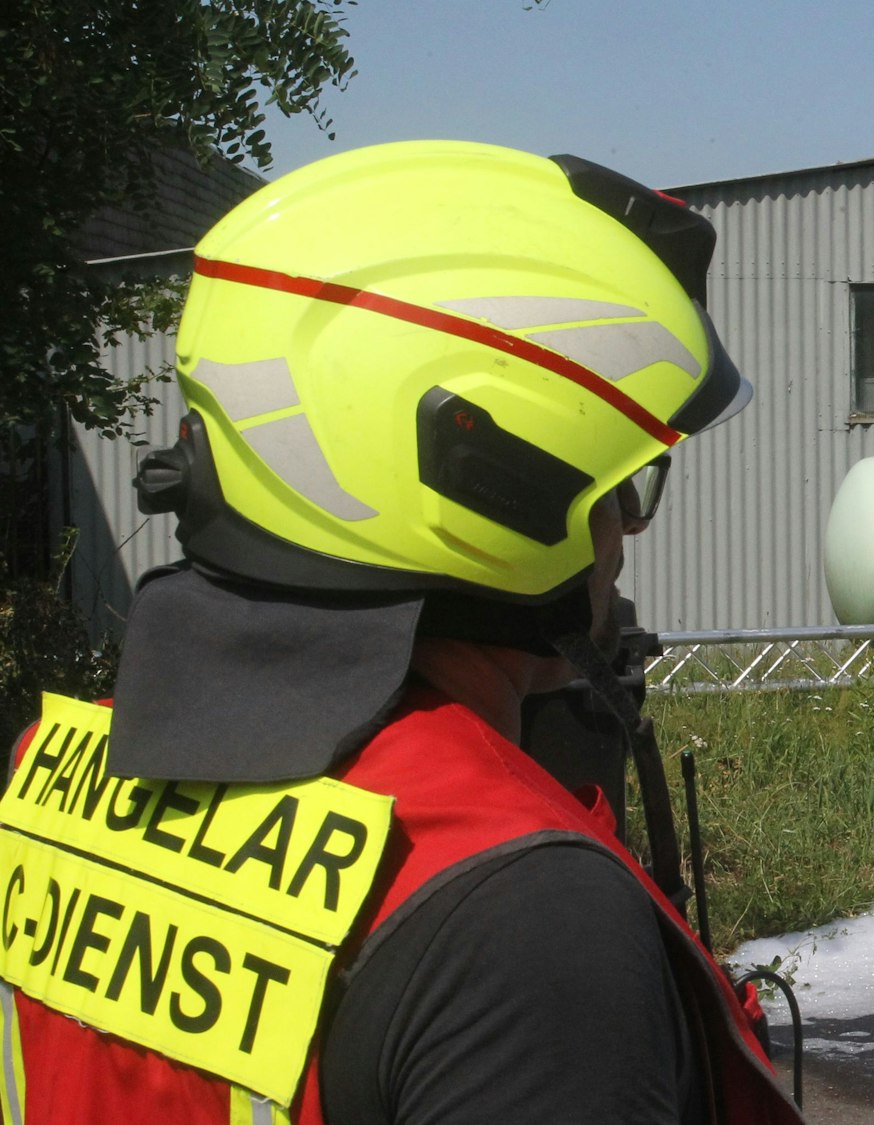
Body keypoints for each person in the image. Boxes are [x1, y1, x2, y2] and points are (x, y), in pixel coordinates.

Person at [0, 141, 803, 1124]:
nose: (624, 532)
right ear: (492, 487)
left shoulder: (53, 774)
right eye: (619, 487)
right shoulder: (518, 910)